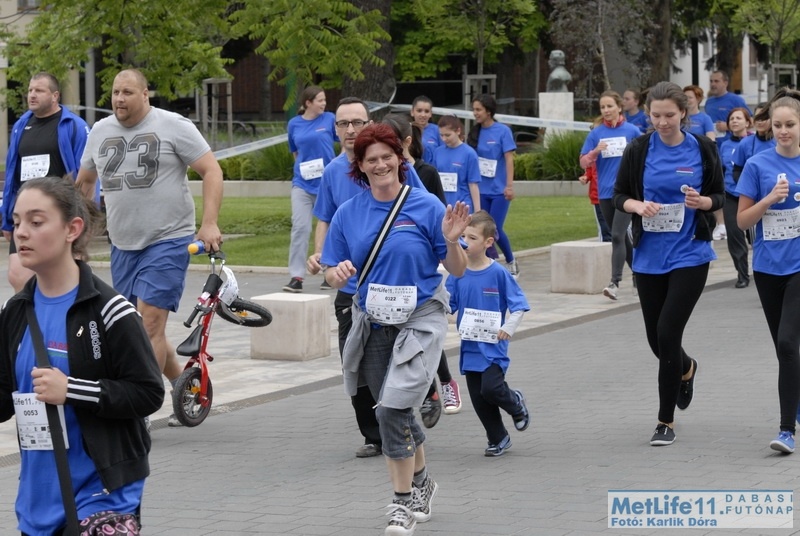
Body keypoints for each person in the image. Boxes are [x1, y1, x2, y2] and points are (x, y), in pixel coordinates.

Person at [321, 123, 470, 535]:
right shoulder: (348, 213)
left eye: (388, 156)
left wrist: (452, 241)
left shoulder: (426, 206)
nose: (381, 164)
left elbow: (456, 269)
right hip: (373, 322)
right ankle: (423, 483)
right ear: (360, 166)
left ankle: (401, 503)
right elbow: (331, 272)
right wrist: (337, 273)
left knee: (391, 409)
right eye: (372, 159)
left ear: (400, 159)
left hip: (420, 320)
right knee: (395, 408)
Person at [0, 177, 164, 535]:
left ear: (72, 229)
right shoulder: (15, 312)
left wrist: (72, 390)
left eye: (36, 221)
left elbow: (148, 392)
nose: (21, 233)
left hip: (103, 496)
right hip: (39, 500)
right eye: (16, 221)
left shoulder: (111, 311)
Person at [76, 68, 223, 428]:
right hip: (123, 244)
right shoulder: (100, 131)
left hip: (168, 239)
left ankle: (137, 410)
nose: (119, 99)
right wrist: (74, 234)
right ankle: (186, 388)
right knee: (134, 327)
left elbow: (211, 171)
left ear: (145, 95)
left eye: (127, 92)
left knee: (150, 324)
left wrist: (209, 223)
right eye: (115, 92)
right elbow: (85, 182)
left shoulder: (173, 125)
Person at [614, 81, 724, 447]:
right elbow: (620, 195)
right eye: (656, 116)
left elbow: (718, 194)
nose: (662, 123)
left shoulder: (703, 148)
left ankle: (665, 421)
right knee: (655, 339)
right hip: (648, 255)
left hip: (690, 253)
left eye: (669, 116)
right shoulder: (638, 149)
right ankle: (687, 367)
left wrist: (702, 202)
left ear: (684, 114)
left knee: (667, 332)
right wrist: (637, 206)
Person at [736, 88, 800, 454]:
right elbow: (743, 220)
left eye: (790, 124)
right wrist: (770, 199)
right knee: (783, 347)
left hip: (799, 267)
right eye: (777, 125)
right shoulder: (758, 165)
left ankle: (786, 430)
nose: (783, 131)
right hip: (767, 267)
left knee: (788, 342)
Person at [446, 210, 530, 457]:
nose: (465, 242)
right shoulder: (457, 273)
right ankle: (498, 437)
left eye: (472, 238)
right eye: (463, 236)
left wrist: (508, 327)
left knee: (491, 389)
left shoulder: (498, 273)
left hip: (493, 346)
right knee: (479, 398)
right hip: (469, 346)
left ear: (488, 242)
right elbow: (447, 305)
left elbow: (519, 305)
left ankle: (515, 402)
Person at [2, 72, 93, 293]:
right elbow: (13, 174)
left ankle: (63, 313)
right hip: (26, 214)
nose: (32, 95)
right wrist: (7, 219)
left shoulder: (73, 126)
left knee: (62, 278)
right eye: (30, 90)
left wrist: (83, 217)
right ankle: (30, 315)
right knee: (18, 275)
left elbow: (87, 176)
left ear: (55, 96)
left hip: (59, 214)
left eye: (39, 90)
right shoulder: (21, 126)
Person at [579, 90, 642, 300]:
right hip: (605, 193)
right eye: (602, 107)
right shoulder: (596, 134)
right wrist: (595, 152)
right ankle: (639, 275)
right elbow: (583, 162)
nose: (606, 110)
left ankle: (614, 282)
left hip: (627, 192)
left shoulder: (632, 131)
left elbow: (646, 156)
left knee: (616, 235)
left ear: (619, 107)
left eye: (609, 106)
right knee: (621, 236)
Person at [283, 86, 337, 293]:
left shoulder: (329, 119)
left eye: (324, 100)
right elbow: (295, 152)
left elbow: (344, 139)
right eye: (320, 100)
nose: (324, 103)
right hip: (302, 184)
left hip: (327, 184)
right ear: (308, 103)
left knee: (331, 227)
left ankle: (329, 272)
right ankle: (296, 276)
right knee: (300, 227)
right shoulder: (294, 124)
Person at [467, 94, 518, 275]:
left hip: (499, 190)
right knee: (481, 230)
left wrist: (509, 186)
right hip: (481, 189)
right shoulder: (475, 133)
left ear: (488, 111)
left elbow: (509, 159)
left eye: (478, 109)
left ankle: (511, 261)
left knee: (494, 228)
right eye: (474, 109)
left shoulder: (503, 131)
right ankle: (490, 265)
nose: (475, 113)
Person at [684, 84, 725, 240]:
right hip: (684, 162)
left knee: (709, 190)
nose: (687, 100)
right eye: (684, 97)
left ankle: (721, 224)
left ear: (698, 99)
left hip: (701, 160)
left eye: (690, 97)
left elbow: (711, 139)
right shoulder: (681, 118)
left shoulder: (704, 118)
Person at [719, 107, 752, 288]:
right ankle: (742, 274)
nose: (734, 121)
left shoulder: (754, 142)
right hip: (731, 195)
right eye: (731, 119)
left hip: (751, 195)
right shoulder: (724, 145)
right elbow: (722, 170)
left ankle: (764, 270)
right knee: (734, 234)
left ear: (747, 122)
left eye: (739, 118)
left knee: (754, 237)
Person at [433, 115, 481, 212]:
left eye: (447, 135)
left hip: (463, 206)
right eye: (441, 135)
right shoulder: (437, 152)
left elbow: (473, 184)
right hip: (442, 206)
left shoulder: (469, 153)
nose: (444, 139)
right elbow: (434, 180)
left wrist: (477, 211)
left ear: (458, 131)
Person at [705, 70, 749, 151]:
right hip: (712, 147)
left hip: (731, 147)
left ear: (725, 83)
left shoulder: (736, 100)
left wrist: (728, 126)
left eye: (716, 81)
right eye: (711, 81)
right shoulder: (709, 102)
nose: (713, 84)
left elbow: (751, 121)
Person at [578, 163, 612, 242]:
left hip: (615, 195)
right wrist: (586, 177)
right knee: (605, 229)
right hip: (599, 196)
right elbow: (590, 169)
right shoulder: (594, 157)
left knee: (621, 227)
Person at [410, 96, 441, 165]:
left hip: (433, 170)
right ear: (412, 112)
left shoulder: (438, 131)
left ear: (430, 114)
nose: (423, 115)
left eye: (426, 111)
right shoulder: (406, 130)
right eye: (419, 111)